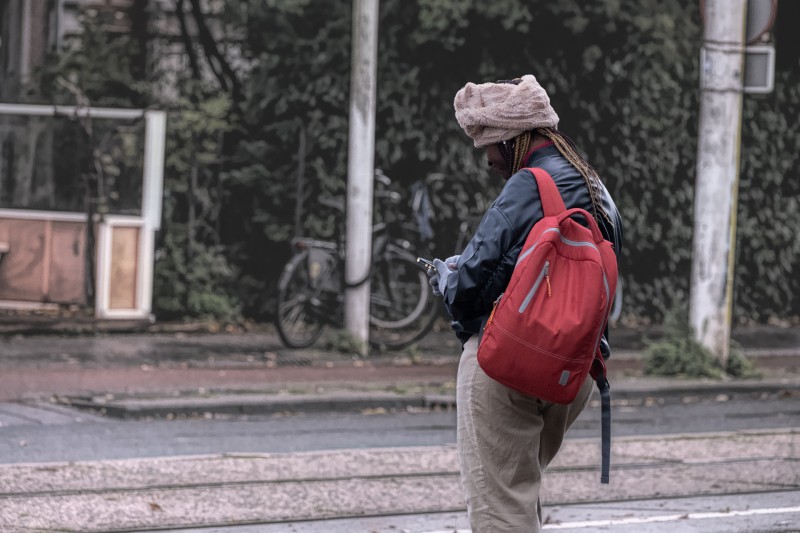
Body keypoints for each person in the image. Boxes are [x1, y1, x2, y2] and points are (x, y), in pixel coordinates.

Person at [427, 75, 623, 532]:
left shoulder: (529, 184)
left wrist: (446, 276)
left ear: (513, 138)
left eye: (489, 146)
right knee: (518, 498)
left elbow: (470, 284)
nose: (488, 160)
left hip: (508, 366)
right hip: (574, 371)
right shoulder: (595, 185)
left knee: (500, 513)